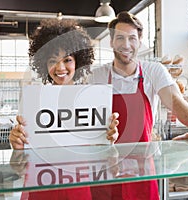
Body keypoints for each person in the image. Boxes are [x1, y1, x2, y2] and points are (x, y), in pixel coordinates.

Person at [88, 11, 188, 200]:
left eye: (132, 38)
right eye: (120, 38)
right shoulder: (97, 75)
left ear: (139, 41)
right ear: (111, 41)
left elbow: (176, 101)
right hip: (106, 167)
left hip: (142, 169)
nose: (126, 45)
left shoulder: (154, 71)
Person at [9, 18, 119, 200]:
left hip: (78, 188)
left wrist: (110, 142)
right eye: (53, 60)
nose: (60, 68)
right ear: (44, 63)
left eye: (67, 59)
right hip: (40, 188)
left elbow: (107, 164)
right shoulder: (33, 101)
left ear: (78, 61)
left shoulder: (93, 101)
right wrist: (16, 147)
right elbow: (18, 166)